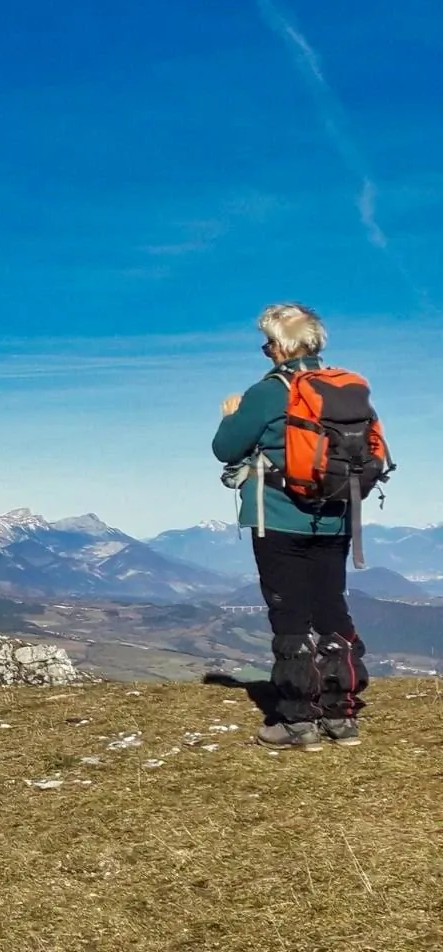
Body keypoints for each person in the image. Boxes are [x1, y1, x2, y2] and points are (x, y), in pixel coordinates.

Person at [213, 303, 370, 750]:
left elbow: (226, 448)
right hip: (337, 514)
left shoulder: (268, 392)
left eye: (267, 344)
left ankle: (297, 722)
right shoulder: (347, 389)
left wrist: (230, 414)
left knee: (290, 617)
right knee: (332, 610)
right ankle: (342, 716)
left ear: (281, 346)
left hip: (279, 516)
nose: (266, 352)